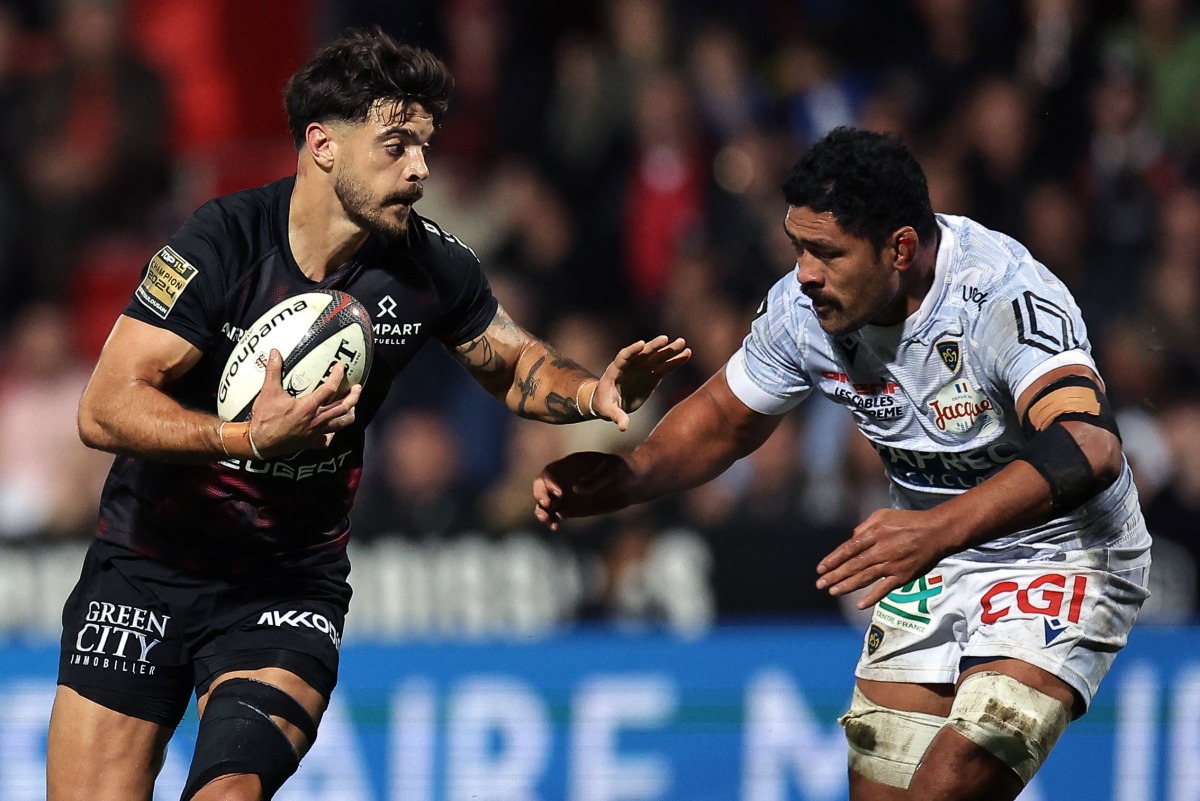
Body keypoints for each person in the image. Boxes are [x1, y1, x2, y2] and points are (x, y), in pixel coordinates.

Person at [49, 28, 690, 801]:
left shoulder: (430, 267)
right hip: (147, 566)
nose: (421, 168)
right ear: (323, 146)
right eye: (396, 145)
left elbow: (516, 362)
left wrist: (594, 393)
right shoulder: (222, 243)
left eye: (425, 145)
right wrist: (246, 437)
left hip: (286, 582)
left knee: (229, 792)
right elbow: (104, 406)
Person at [535, 126, 1151, 801]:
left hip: (1061, 548)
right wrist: (629, 475)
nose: (804, 271)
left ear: (901, 248)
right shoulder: (806, 309)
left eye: (825, 252)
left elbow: (1090, 444)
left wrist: (939, 528)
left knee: (951, 781)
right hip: (931, 551)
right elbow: (725, 419)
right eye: (798, 246)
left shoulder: (1000, 297)